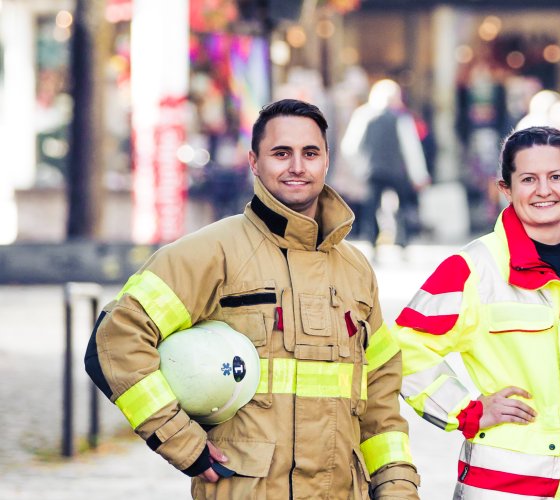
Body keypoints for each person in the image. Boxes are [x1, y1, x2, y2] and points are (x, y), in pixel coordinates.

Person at [84, 99, 421, 499]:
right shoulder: (212, 252)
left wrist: (398, 487)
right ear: (254, 162)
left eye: (310, 153)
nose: (297, 166)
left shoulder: (356, 270)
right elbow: (116, 340)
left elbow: (380, 394)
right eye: (281, 153)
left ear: (327, 160)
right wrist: (180, 440)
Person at [393, 126, 560, 499]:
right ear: (505, 189)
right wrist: (467, 411)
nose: (544, 190)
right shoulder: (473, 268)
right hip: (503, 490)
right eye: (528, 179)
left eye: (556, 177)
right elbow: (402, 349)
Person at [341, 79, 430, 249]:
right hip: (397, 171)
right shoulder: (401, 118)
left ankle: (372, 242)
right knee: (401, 208)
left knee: (371, 208)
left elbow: (350, 147)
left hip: (372, 171)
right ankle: (402, 242)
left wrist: (359, 168)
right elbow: (411, 149)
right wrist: (419, 176)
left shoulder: (363, 115)